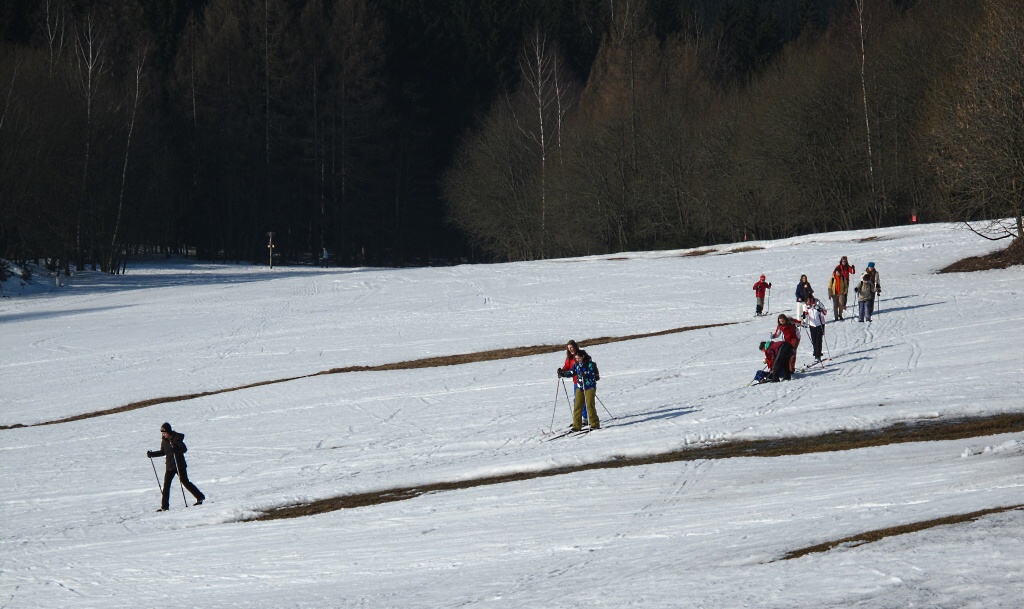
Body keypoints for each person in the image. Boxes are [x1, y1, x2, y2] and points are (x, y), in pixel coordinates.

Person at [147, 422, 205, 511]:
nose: (164, 435)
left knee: (185, 482)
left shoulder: (176, 438)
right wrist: (152, 454)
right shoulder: (164, 440)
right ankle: (164, 507)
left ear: (169, 432)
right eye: (162, 433)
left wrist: (176, 449)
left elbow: (184, 449)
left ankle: (200, 497)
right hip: (170, 466)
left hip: (179, 465)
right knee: (166, 486)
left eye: (165, 433)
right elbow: (163, 452)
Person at [557, 349, 600, 431]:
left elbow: (592, 375)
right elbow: (572, 372)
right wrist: (563, 373)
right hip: (580, 387)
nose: (577, 360)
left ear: (583, 357)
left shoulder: (590, 364)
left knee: (590, 405)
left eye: (579, 358)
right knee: (577, 406)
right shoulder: (576, 364)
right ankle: (576, 426)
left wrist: (584, 373)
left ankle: (594, 424)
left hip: (589, 387)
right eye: (576, 358)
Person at [559, 340, 587, 425]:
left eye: (571, 347)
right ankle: (579, 419)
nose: (570, 349)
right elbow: (567, 366)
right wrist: (562, 371)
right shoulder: (569, 357)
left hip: (584, 381)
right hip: (576, 382)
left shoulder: (580, 355)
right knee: (577, 401)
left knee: (581, 400)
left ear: (575, 347)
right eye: (569, 348)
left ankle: (585, 418)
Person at [801, 295, 827, 362]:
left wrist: (820, 310)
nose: (808, 302)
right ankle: (816, 353)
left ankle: (818, 355)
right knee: (814, 340)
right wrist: (804, 316)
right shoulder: (806, 306)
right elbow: (806, 313)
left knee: (818, 339)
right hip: (812, 325)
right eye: (807, 301)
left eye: (809, 301)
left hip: (820, 324)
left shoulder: (818, 304)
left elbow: (825, 313)